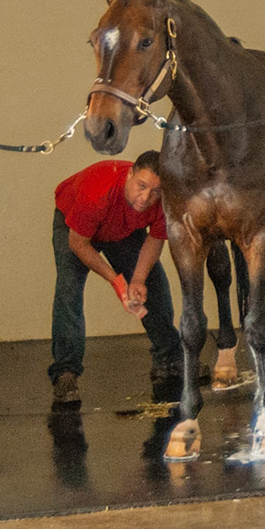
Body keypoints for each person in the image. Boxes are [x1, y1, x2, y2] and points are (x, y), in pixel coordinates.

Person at [48, 150, 183, 403]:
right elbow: (79, 244)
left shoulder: (164, 201)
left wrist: (138, 280)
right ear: (130, 174)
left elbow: (155, 239)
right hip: (74, 226)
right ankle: (65, 373)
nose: (146, 198)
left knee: (154, 284)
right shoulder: (97, 193)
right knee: (69, 290)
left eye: (155, 191)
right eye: (141, 186)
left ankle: (169, 359)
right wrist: (117, 281)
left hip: (123, 229)